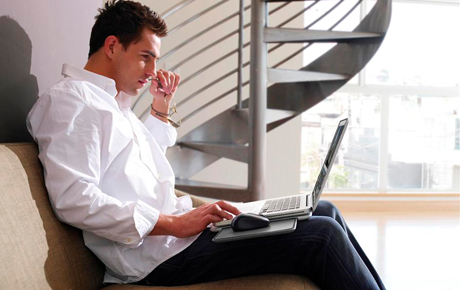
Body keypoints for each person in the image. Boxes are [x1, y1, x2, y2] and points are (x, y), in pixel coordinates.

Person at [26, 1, 385, 289]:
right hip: (157, 258)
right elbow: (75, 199)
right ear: (111, 46)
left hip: (179, 235)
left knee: (325, 210)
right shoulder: (71, 101)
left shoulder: (112, 103)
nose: (153, 69)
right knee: (321, 236)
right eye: (145, 55)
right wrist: (173, 223)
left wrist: (161, 109)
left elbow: (135, 163)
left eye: (155, 59)